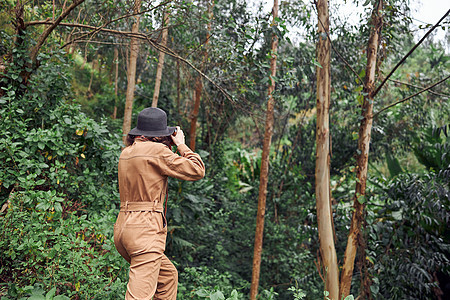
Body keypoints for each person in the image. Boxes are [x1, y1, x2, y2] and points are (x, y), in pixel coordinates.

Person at [114, 107, 205, 299]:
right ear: (159, 135)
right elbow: (197, 170)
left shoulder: (126, 153)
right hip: (144, 231)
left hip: (123, 229)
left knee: (167, 277)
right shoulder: (157, 152)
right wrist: (181, 145)